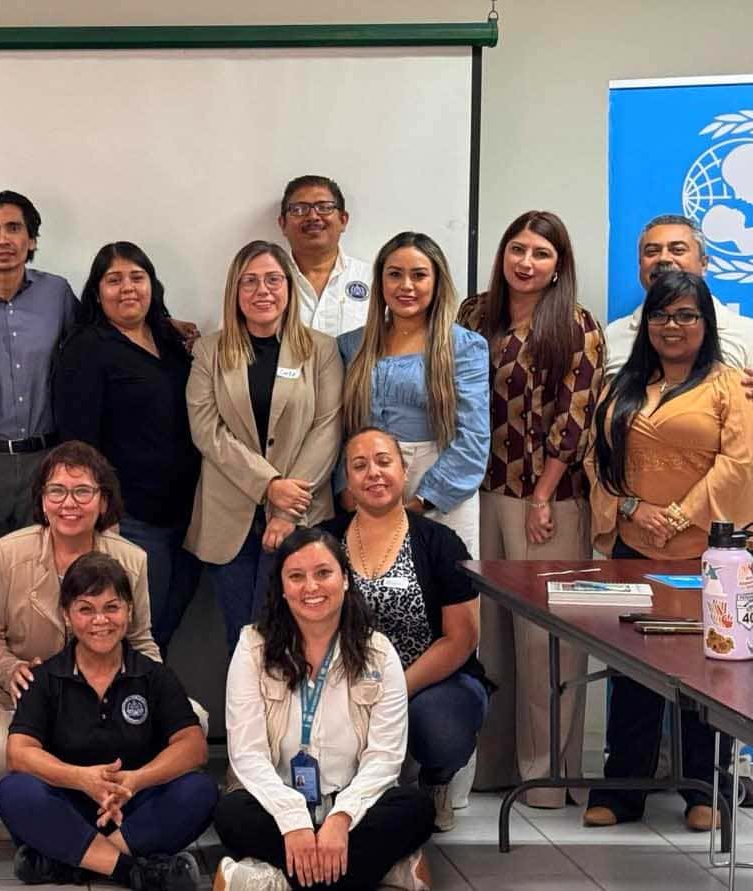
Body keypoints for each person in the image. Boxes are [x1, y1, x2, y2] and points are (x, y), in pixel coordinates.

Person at [583, 270, 753, 831]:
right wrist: (633, 508)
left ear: (706, 323)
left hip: (708, 555)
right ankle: (624, 789)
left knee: (706, 671)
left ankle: (704, 791)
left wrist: (681, 516)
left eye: (686, 315)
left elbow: (741, 463)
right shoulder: (623, 386)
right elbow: (596, 457)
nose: (672, 326)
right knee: (631, 667)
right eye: (661, 315)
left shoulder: (732, 385)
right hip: (634, 544)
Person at [456, 211, 605, 808]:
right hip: (479, 493)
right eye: (517, 249)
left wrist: (542, 494)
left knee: (546, 644)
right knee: (489, 638)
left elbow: (575, 419)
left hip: (550, 501)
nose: (526, 262)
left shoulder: (576, 325)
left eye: (541, 253)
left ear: (558, 265)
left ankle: (547, 777)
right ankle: (491, 766)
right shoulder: (474, 314)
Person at [212, 527, 434, 891]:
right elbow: (247, 755)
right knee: (231, 814)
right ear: (282, 588)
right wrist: (293, 821)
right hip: (275, 803)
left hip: (354, 806)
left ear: (345, 579)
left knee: (416, 809)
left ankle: (273, 880)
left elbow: (385, 757)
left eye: (323, 573)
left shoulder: (378, 652)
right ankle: (378, 870)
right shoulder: (252, 647)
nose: (311, 587)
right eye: (296, 577)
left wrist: (342, 817)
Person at [0, 551, 215, 891]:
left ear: (129, 611)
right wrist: (81, 779)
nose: (100, 620)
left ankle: (68, 862)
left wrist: (135, 781)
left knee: (199, 790)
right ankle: (133, 871)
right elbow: (18, 753)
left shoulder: (155, 675)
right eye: (86, 609)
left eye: (112, 607)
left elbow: (193, 747)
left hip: (134, 807)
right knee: (15, 791)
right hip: (68, 806)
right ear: (66, 615)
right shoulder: (45, 678)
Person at [0, 441, 162, 806]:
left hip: (106, 696)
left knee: (191, 720)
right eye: (57, 491)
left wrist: (158, 689)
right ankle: (27, 807)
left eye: (82, 491)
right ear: (42, 500)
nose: (69, 503)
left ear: (103, 501)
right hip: (24, 700)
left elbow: (140, 639)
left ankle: (104, 810)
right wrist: (10, 669)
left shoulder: (132, 559)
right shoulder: (6, 553)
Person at [323, 427, 490, 832]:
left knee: (441, 728)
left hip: (429, 681)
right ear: (348, 480)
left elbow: (462, 638)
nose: (373, 473)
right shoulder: (324, 541)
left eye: (384, 462)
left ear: (404, 470)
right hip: (342, 681)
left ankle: (436, 781)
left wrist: (395, 689)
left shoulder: (441, 543)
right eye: (360, 466)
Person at [187, 240, 343, 650]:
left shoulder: (322, 349)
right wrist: (269, 486)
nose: (263, 291)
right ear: (235, 291)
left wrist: (286, 509)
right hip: (229, 521)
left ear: (289, 287)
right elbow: (206, 429)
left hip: (302, 515)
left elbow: (327, 429)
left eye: (273, 280)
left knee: (301, 640)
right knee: (244, 643)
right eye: (250, 281)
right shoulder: (209, 351)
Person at [54, 242, 202, 652]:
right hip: (131, 518)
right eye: (114, 280)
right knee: (134, 634)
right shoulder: (86, 347)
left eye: (137, 277)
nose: (127, 288)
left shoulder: (169, 341)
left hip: (189, 517)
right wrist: (104, 513)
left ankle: (149, 692)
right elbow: (78, 442)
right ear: (97, 291)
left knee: (164, 628)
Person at [0, 189, 79, 582]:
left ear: (32, 239)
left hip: (46, 460)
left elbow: (98, 341)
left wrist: (163, 325)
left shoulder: (57, 294)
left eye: (13, 228)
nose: (3, 239)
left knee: (41, 577)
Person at [338, 231, 490, 556]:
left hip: (443, 491)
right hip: (368, 486)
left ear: (437, 282)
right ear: (380, 282)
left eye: (419, 275)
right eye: (394, 274)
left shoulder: (464, 347)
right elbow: (338, 428)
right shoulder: (352, 345)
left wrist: (423, 500)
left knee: (445, 581)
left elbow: (473, 438)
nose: (406, 286)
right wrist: (346, 487)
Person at [603, 215, 753, 407]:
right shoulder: (612, 335)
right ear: (640, 265)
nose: (663, 258)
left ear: (704, 263)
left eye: (677, 250)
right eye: (652, 251)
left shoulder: (751, 335)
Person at [276, 175, 373, 338]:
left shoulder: (373, 280)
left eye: (324, 207)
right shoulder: (264, 285)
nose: (313, 217)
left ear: (343, 220)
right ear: (283, 224)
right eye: (299, 209)